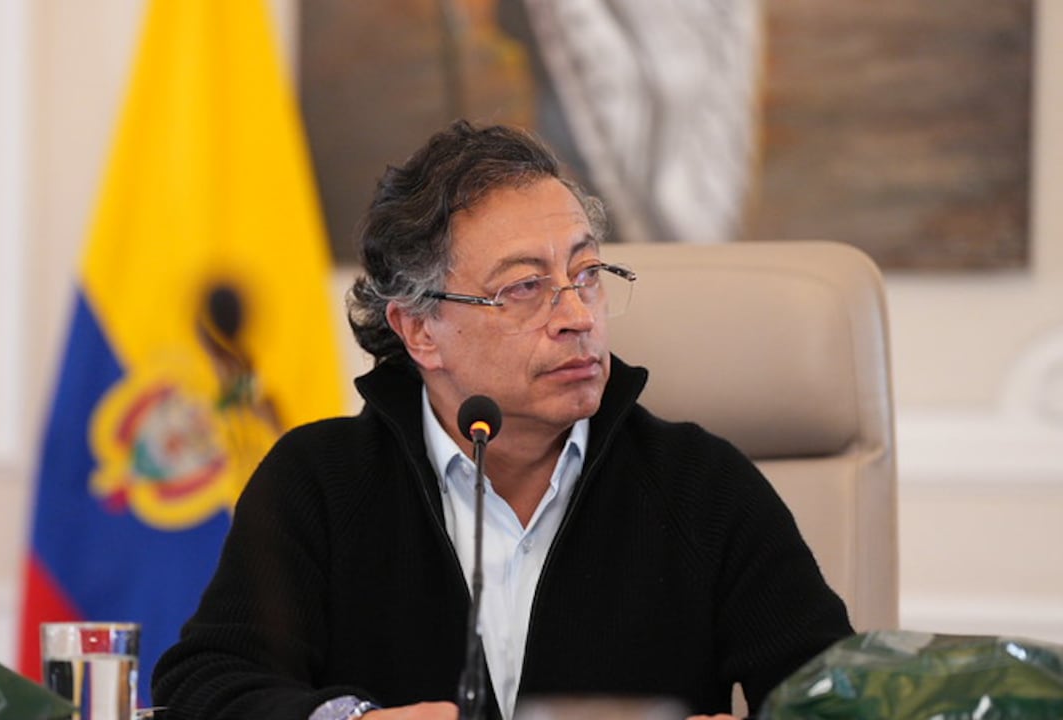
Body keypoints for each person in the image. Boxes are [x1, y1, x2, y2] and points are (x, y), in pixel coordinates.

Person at [151, 120, 853, 720]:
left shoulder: (703, 488)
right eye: (524, 287)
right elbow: (206, 683)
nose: (577, 316)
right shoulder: (321, 482)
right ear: (420, 330)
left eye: (586, 275)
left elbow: (841, 698)